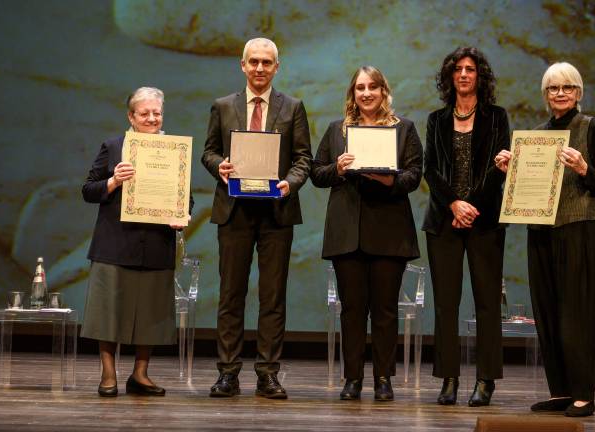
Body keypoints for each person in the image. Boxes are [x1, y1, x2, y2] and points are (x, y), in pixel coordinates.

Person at [494, 62, 595, 417]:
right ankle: (561, 391)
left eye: (567, 88)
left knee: (576, 315)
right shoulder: (536, 135)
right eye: (552, 89)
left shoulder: (592, 128)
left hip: (579, 229)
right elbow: (527, 187)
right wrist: (510, 169)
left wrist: (583, 168)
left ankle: (583, 393)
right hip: (541, 231)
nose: (559, 94)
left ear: (579, 93)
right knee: (547, 312)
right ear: (545, 95)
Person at [201, 37, 312, 399]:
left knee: (272, 297)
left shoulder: (293, 107)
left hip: (276, 212)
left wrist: (289, 184)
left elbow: (302, 160)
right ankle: (228, 373)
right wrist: (221, 167)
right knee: (231, 295)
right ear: (242, 65)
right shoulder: (223, 106)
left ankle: (267, 373)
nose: (260, 68)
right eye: (254, 62)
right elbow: (209, 152)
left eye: (267, 62)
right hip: (234, 211)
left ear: (277, 67)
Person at [311, 65, 422, 401]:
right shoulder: (336, 131)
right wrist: (339, 169)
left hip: (389, 232)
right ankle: (353, 378)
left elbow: (415, 175)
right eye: (360, 88)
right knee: (352, 310)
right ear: (353, 93)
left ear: (383, 91)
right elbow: (317, 173)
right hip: (348, 233)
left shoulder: (404, 129)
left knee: (385, 310)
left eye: (373, 87)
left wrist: (392, 180)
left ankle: (384, 378)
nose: (366, 93)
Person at [81, 86, 189, 397]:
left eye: (157, 113)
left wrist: (182, 215)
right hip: (115, 243)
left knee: (151, 312)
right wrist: (114, 180)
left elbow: (186, 198)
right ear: (131, 116)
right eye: (145, 113)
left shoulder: (174, 150)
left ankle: (140, 374)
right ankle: (108, 372)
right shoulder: (114, 147)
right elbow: (88, 190)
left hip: (156, 243)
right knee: (108, 311)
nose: (152, 118)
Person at [421, 47, 510, 406]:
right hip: (444, 219)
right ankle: (449, 379)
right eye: (457, 69)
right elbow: (430, 169)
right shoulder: (436, 119)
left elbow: (499, 167)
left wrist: (471, 205)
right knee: (445, 303)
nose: (463, 75)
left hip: (484, 220)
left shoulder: (497, 117)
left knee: (487, 302)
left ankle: (486, 379)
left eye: (470, 69)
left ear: (480, 76)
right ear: (449, 77)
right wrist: (454, 204)